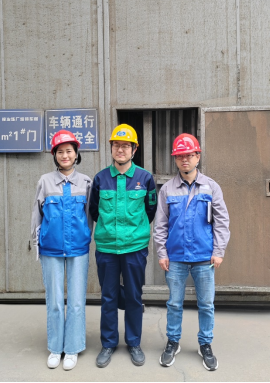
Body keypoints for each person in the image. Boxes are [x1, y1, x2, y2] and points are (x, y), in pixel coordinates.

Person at [153, 133, 231, 372]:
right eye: (180, 156)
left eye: (189, 155)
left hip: (204, 257)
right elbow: (160, 224)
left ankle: (205, 343)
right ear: (175, 159)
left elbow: (222, 221)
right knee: (174, 303)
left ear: (198, 156)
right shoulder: (167, 189)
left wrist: (218, 250)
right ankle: (173, 341)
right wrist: (162, 252)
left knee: (206, 304)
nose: (184, 160)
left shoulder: (211, 187)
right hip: (175, 257)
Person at [89, 124, 158, 368]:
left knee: (133, 296)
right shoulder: (100, 178)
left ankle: (133, 342)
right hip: (107, 247)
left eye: (126, 146)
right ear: (111, 148)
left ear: (134, 149)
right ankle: (108, 343)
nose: (121, 150)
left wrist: (135, 232)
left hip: (134, 248)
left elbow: (150, 210)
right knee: (108, 296)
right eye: (116, 145)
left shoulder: (145, 178)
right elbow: (94, 210)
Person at [31, 130, 93, 371]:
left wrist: (85, 237)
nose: (65, 155)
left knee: (76, 301)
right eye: (60, 152)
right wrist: (37, 244)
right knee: (55, 301)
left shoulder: (86, 182)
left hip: (78, 249)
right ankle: (56, 348)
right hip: (51, 249)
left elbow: (89, 217)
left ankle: (73, 348)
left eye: (69, 151)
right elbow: (37, 215)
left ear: (76, 154)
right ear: (54, 155)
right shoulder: (45, 181)